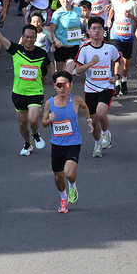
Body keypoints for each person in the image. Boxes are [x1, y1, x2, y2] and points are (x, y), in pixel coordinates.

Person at [0, 18, 52, 155]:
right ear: (22, 37)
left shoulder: (41, 53)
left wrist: (57, 77)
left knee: (33, 119)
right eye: (27, 37)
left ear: (36, 38)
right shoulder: (16, 50)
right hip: (18, 93)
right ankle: (28, 143)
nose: (29, 40)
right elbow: (0, 37)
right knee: (22, 124)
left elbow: (49, 64)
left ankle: (35, 134)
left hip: (35, 92)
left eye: (32, 37)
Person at [41, 71, 90, 214]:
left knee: (68, 173)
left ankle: (72, 185)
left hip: (73, 142)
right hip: (57, 144)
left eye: (65, 85)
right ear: (55, 86)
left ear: (70, 85)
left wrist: (89, 121)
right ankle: (63, 198)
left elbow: (85, 107)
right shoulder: (49, 103)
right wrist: (49, 119)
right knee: (58, 176)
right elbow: (43, 123)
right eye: (59, 85)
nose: (62, 88)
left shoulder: (76, 99)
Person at [73, 16, 120, 157]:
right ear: (88, 31)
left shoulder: (110, 48)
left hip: (106, 87)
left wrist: (117, 76)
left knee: (100, 113)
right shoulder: (84, 49)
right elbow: (77, 70)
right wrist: (90, 64)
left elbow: (120, 61)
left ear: (104, 31)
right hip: (90, 89)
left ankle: (105, 133)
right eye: (94, 28)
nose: (97, 31)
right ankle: (98, 142)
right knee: (94, 121)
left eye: (100, 28)